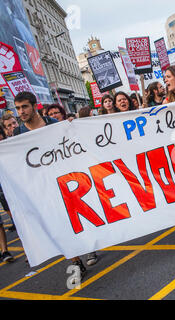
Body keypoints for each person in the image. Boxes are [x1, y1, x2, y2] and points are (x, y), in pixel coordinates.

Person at [13, 91, 97, 281]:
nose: (21, 111)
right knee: (58, 224)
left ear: (35, 106)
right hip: (43, 186)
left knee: (79, 217)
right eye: (18, 108)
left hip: (66, 180)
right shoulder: (18, 132)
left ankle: (91, 248)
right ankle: (76, 261)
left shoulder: (53, 124)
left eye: (25, 106)